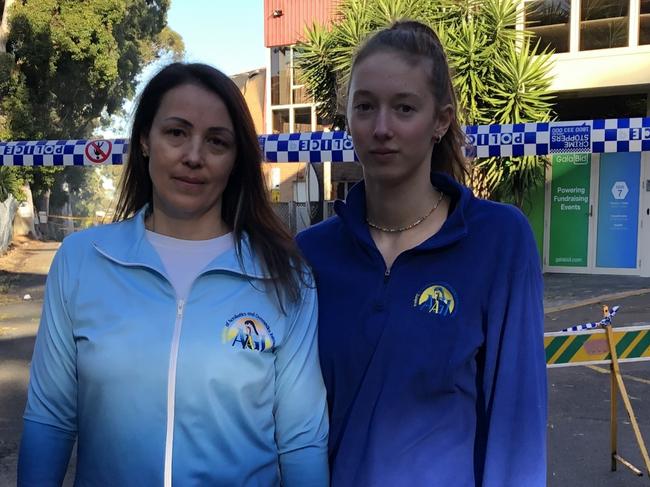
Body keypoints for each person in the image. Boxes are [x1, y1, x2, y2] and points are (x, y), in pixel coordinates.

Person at [18, 63, 329, 486]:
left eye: (217, 141)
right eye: (176, 133)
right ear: (145, 139)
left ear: (236, 158)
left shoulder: (284, 277)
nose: (193, 156)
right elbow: (50, 417)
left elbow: (301, 441)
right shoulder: (82, 260)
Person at [297, 20, 547, 487]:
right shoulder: (311, 254)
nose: (382, 128)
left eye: (405, 108)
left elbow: (517, 428)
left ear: (441, 120)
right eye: (365, 106)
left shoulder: (498, 240)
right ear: (346, 117)